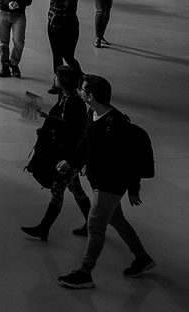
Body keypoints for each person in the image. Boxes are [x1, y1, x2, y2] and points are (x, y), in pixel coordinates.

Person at [56, 75, 156, 288]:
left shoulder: (116, 124)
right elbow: (86, 141)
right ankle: (142, 257)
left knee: (95, 226)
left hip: (111, 183)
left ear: (90, 96)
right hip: (98, 179)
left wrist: (134, 189)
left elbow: (130, 160)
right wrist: (71, 161)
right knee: (116, 219)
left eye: (82, 89)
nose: (79, 91)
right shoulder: (93, 113)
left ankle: (85, 272)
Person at [21, 62, 92, 241]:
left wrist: (48, 118)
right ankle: (91, 224)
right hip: (68, 153)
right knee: (76, 189)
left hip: (70, 155)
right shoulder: (65, 96)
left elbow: (72, 128)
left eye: (56, 77)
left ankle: (44, 227)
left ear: (63, 81)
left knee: (58, 190)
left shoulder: (74, 101)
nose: (54, 79)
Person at [39, 0, 83, 92]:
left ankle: (81, 79)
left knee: (68, 56)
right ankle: (57, 82)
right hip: (53, 26)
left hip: (69, 27)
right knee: (57, 55)